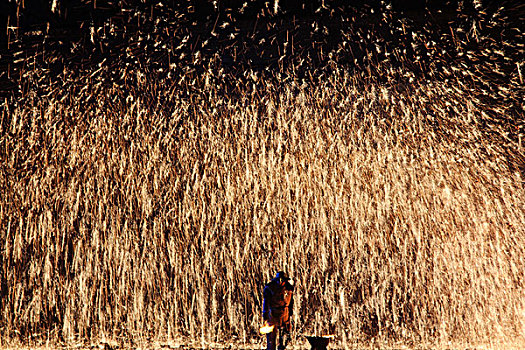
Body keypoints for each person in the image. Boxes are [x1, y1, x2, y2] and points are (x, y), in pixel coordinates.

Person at [263, 271, 294, 350]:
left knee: (284, 335)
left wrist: (290, 313)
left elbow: (291, 301)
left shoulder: (289, 288)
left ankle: (282, 347)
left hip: (285, 313)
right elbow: (266, 302)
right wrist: (265, 314)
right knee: (271, 336)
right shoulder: (270, 288)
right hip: (273, 313)